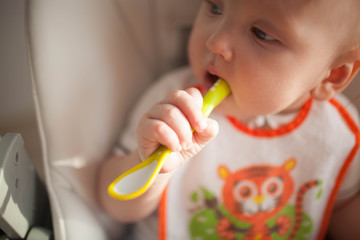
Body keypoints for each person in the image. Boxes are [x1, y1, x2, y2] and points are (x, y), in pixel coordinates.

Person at [98, 0, 360, 239]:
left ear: (331, 76)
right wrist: (150, 163)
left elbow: (342, 214)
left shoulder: (339, 133)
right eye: (215, 7)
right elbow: (114, 206)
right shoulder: (172, 106)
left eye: (262, 34)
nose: (215, 41)